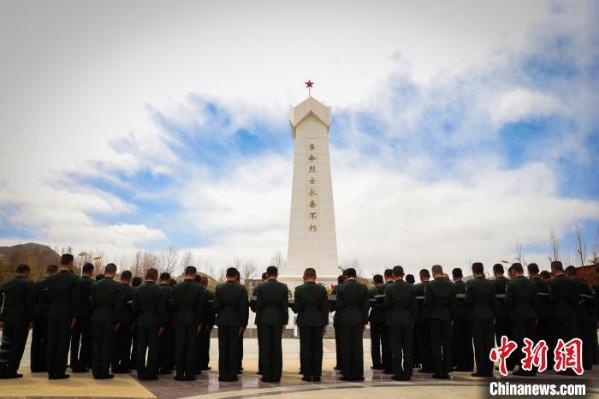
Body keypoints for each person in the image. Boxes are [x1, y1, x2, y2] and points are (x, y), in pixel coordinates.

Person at [46, 254, 78, 380]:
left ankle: (50, 371)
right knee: (63, 343)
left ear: (60, 262)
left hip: (53, 312)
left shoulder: (51, 279)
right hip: (66, 313)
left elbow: (48, 298)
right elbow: (74, 300)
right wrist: (75, 316)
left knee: (52, 342)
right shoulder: (74, 279)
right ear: (70, 263)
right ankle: (59, 372)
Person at [0, 264, 35, 379]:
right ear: (25, 272)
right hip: (21, 319)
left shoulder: (6, 284)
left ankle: (1, 368)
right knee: (18, 345)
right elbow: (30, 304)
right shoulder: (28, 284)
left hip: (7, 318)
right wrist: (31, 320)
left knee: (5, 344)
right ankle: (11, 371)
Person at [293, 268, 328, 382]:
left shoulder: (299, 289)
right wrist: (325, 324)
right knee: (318, 348)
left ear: (304, 276)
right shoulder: (322, 290)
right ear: (315, 276)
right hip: (318, 321)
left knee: (305, 348)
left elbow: (296, 308)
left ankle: (307, 375)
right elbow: (324, 309)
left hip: (304, 321)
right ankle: (317, 374)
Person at [214, 267, 249, 382]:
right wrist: (243, 324)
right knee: (233, 348)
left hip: (223, 320)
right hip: (236, 321)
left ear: (226, 275)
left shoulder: (219, 288)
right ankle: (232, 374)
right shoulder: (241, 289)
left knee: (222, 347)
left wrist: (221, 314)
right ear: (236, 276)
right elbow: (244, 309)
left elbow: (216, 307)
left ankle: (222, 374)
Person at [172, 266, 206, 381]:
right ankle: (189, 373)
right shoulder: (199, 288)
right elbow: (200, 308)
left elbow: (173, 306)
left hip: (179, 319)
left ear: (185, 273)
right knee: (191, 347)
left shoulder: (176, 287)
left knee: (179, 346)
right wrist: (200, 323)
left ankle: (179, 373)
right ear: (195, 274)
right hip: (193, 320)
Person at [133, 268, 167, 380]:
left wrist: (137, 320)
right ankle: (151, 372)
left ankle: (140, 372)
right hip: (154, 322)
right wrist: (162, 324)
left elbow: (135, 308)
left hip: (141, 321)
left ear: (146, 275)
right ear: (156, 277)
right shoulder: (159, 290)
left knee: (140, 348)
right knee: (153, 349)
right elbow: (161, 310)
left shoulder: (138, 289)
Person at [256, 266, 288, 383]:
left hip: (264, 319)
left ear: (267, 274)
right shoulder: (283, 287)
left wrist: (259, 320)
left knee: (265, 347)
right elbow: (284, 307)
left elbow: (259, 306)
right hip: (278, 319)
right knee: (276, 347)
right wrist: (285, 321)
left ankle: (267, 375)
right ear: (277, 274)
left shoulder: (261, 287)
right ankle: (276, 375)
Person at [336, 268, 368, 381]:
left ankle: (347, 374)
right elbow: (365, 306)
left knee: (346, 347)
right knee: (358, 347)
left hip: (344, 320)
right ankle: (358, 373)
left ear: (346, 276)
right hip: (358, 319)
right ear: (355, 275)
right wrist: (365, 321)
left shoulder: (340, 287)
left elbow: (339, 307)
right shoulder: (362, 287)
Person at [90, 263, 122, 379]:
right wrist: (117, 320)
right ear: (114, 272)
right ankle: (104, 371)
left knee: (96, 345)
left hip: (97, 316)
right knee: (107, 346)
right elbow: (118, 306)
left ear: (105, 271)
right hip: (110, 318)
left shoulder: (95, 285)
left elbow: (91, 302)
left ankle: (95, 371)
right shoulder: (117, 286)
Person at [384, 265, 416, 381]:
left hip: (394, 320)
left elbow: (387, 306)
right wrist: (413, 319)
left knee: (396, 348)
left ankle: (398, 373)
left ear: (393, 275)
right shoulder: (411, 288)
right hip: (407, 319)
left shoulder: (389, 288)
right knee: (408, 348)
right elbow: (414, 307)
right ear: (403, 274)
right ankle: (408, 373)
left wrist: (389, 319)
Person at [505, 263, 537, 376]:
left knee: (520, 342)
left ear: (513, 271)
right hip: (531, 314)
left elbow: (508, 301)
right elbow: (535, 301)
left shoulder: (511, 283)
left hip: (517, 315)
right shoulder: (532, 283)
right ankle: (532, 367)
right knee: (531, 342)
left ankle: (524, 368)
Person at [549, 261, 579, 375]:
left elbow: (552, 299)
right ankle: (573, 367)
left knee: (561, 340)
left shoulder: (553, 282)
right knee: (571, 339)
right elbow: (576, 299)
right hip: (570, 312)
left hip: (558, 313)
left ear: (553, 268)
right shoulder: (571, 281)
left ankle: (564, 367)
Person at [466, 262, 496, 378]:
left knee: (479, 345)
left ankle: (481, 370)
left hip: (476, 316)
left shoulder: (471, 284)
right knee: (489, 344)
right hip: (489, 315)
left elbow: (469, 301)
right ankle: (489, 370)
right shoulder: (491, 284)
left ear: (473, 271)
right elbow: (494, 302)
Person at [426, 264, 455, 379]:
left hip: (434, 317)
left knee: (436, 345)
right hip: (447, 316)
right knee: (447, 344)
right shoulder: (450, 285)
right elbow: (453, 304)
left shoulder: (430, 285)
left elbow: (428, 302)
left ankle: (438, 371)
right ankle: (447, 370)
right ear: (442, 272)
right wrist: (452, 317)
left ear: (433, 272)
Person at [565, 265, 595, 371]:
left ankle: (576, 362)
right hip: (585, 314)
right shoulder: (585, 284)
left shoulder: (568, 284)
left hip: (573, 315)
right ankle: (587, 363)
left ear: (567, 274)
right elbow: (592, 298)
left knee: (574, 339)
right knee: (586, 339)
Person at [30, 264, 57, 372]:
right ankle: (44, 364)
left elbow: (34, 300)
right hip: (48, 315)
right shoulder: (54, 284)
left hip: (38, 315)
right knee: (47, 340)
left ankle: (34, 365)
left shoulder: (38, 284)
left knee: (36, 340)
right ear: (55, 272)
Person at [527, 263, 553, 367]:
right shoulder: (546, 283)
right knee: (547, 338)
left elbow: (531, 301)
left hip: (534, 316)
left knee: (535, 339)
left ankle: (537, 362)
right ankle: (549, 362)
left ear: (529, 271)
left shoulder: (529, 283)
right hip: (547, 314)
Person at [70, 262, 94, 372]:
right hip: (87, 316)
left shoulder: (75, 282)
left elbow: (72, 299)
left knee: (74, 340)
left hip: (75, 315)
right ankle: (83, 364)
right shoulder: (93, 284)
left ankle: (73, 363)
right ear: (91, 271)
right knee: (86, 341)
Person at [451, 267, 473, 372]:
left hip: (457, 318)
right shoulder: (466, 286)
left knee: (459, 342)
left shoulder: (452, 287)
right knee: (468, 341)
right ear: (461, 275)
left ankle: (461, 364)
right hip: (468, 317)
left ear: (453, 276)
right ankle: (469, 365)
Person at [113, 270, 134, 373]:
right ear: (130, 278)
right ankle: (124, 366)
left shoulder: (115, 288)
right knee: (126, 345)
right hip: (127, 321)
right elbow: (134, 307)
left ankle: (114, 365)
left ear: (121, 277)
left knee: (115, 344)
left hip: (114, 320)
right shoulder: (132, 291)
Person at [414, 268, 431, 372]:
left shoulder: (417, 288)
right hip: (433, 318)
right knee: (434, 342)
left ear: (420, 277)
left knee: (423, 343)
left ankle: (426, 365)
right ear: (429, 276)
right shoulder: (433, 286)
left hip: (421, 319)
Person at [250, 272, 267, 375]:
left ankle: (262, 369)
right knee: (275, 345)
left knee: (262, 345)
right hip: (276, 320)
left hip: (261, 319)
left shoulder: (258, 288)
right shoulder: (281, 287)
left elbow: (253, 304)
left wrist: (256, 310)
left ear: (262, 278)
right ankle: (274, 369)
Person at [197, 275, 215, 372]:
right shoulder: (210, 294)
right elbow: (212, 311)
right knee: (204, 344)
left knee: (195, 344)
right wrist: (211, 324)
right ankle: (203, 364)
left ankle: (195, 363)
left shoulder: (196, 293)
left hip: (196, 323)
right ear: (207, 283)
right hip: (206, 324)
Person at [158, 272, 174, 374]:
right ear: (168, 279)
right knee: (166, 345)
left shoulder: (156, 289)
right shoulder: (171, 290)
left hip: (155, 320)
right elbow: (173, 307)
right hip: (167, 321)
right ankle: (165, 367)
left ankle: (155, 364)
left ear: (160, 278)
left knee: (156, 345)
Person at [368, 274, 385, 370]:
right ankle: (386, 362)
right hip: (385, 318)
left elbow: (370, 304)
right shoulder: (386, 289)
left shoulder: (371, 291)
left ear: (374, 281)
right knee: (385, 342)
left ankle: (376, 364)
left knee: (375, 342)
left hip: (375, 317)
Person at [381, 268, 394, 373]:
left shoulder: (383, 288)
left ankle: (388, 366)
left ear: (385, 276)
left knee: (386, 344)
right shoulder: (407, 287)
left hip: (386, 319)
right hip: (403, 319)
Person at [493, 264, 510, 345]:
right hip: (510, 314)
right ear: (503, 271)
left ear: (494, 272)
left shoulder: (493, 283)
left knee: (500, 338)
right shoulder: (510, 282)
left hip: (498, 315)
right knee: (510, 337)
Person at [332, 274, 345, 371]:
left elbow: (332, 303)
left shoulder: (337, 289)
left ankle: (340, 364)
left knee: (340, 343)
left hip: (340, 318)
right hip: (355, 319)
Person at [130, 276, 143, 370]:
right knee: (137, 343)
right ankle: (134, 362)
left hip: (127, 320)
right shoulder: (139, 291)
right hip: (138, 321)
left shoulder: (131, 290)